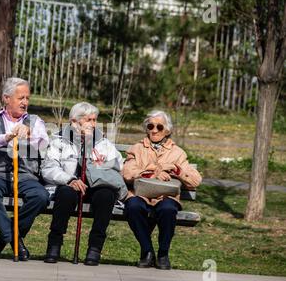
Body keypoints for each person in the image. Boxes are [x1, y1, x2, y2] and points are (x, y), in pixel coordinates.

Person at [41, 102, 126, 266]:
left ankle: (95, 247)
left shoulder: (102, 142)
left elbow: (119, 164)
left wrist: (100, 163)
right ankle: (54, 244)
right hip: (69, 185)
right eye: (89, 120)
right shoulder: (59, 140)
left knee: (106, 196)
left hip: (95, 187)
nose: (93, 124)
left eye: (95, 120)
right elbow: (49, 169)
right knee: (66, 194)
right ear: (74, 121)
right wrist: (69, 180)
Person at [0, 77, 50, 261]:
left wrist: (30, 133)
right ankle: (15, 240)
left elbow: (43, 142)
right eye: (21, 98)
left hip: (25, 175)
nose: (25, 102)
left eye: (27, 98)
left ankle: (3, 239)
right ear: (6, 98)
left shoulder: (35, 121)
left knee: (41, 197)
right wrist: (7, 137)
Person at [122, 110, 202, 270]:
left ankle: (163, 253)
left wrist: (176, 171)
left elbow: (195, 181)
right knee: (133, 207)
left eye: (159, 127)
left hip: (165, 196)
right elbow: (128, 173)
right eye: (150, 126)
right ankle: (147, 250)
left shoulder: (177, 153)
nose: (154, 130)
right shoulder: (137, 148)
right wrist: (153, 172)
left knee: (167, 209)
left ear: (167, 130)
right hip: (141, 194)